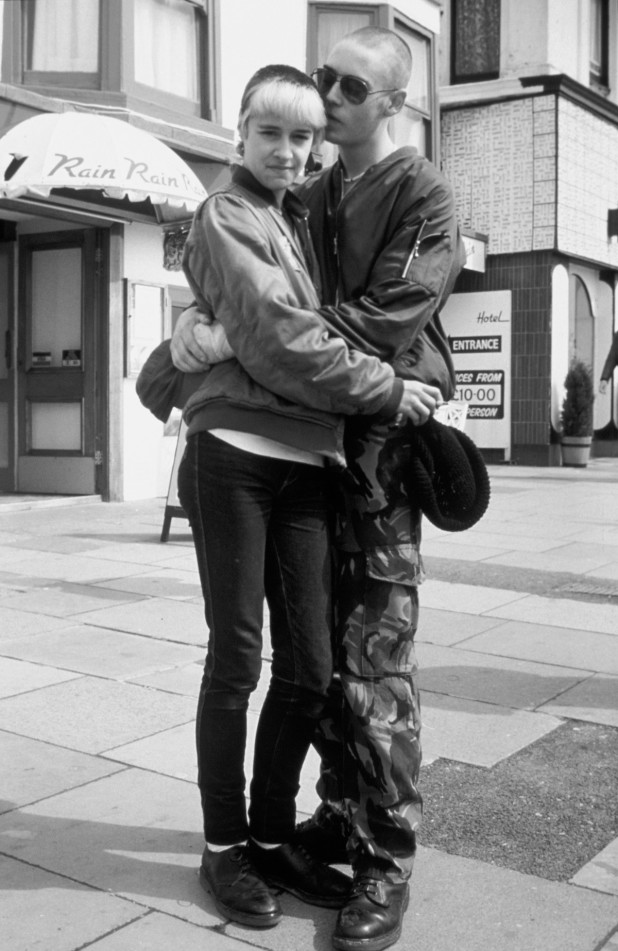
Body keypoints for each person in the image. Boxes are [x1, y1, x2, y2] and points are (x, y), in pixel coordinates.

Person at [173, 30, 464, 951]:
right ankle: (327, 819)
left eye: (349, 85)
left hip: (376, 457)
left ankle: (384, 855)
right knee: (312, 664)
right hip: (312, 452)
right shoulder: (315, 188)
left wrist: (246, 331)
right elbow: (241, 266)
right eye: (320, 79)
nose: (326, 98)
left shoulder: (424, 192)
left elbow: (385, 321)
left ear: (393, 102)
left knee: (373, 659)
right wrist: (210, 318)